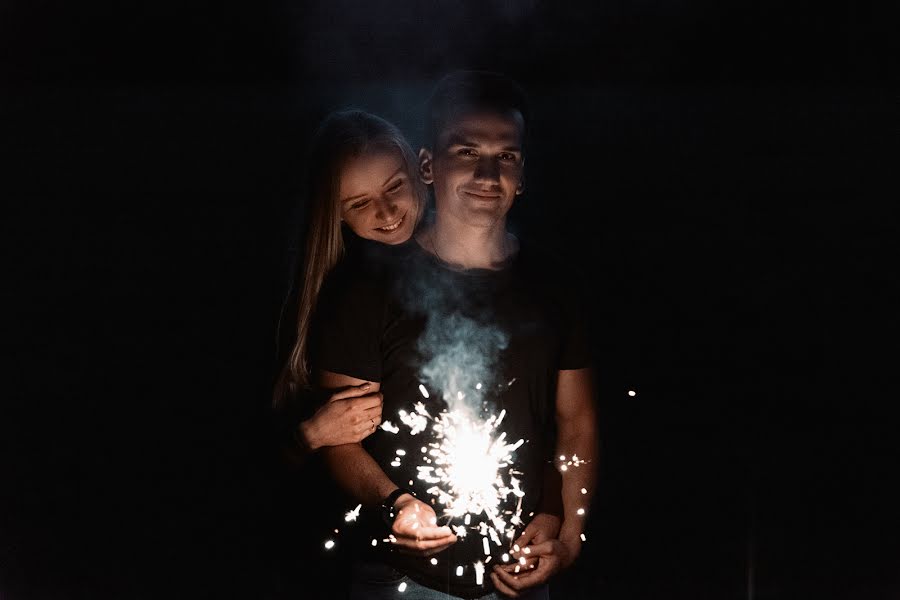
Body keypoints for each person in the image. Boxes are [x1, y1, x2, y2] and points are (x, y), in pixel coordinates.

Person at [311, 70, 599, 599]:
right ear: (428, 165)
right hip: (403, 582)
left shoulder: (556, 285)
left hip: (523, 576)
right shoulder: (366, 286)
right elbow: (339, 437)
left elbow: (575, 419)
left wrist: (571, 533)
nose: (488, 174)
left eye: (506, 156)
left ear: (523, 172)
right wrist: (394, 504)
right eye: (466, 151)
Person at [269, 108, 429, 599]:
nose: (386, 212)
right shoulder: (343, 294)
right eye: (360, 203)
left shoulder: (470, 251)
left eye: (395, 186)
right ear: (334, 212)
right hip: (369, 557)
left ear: (421, 169)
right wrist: (309, 435)